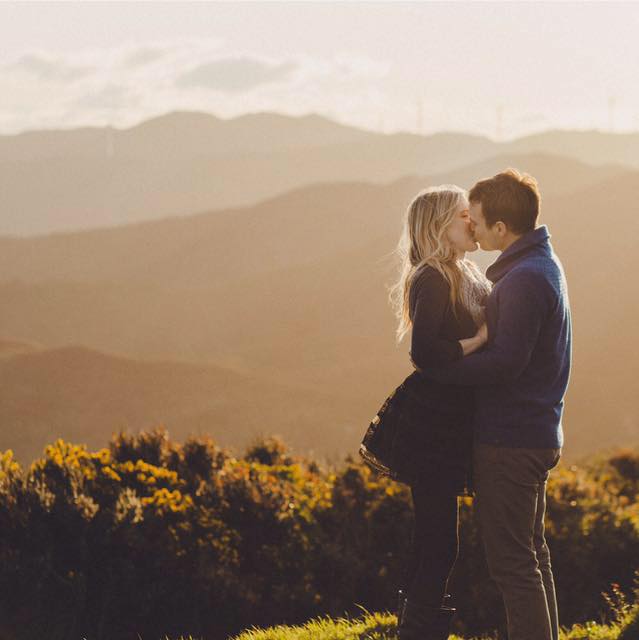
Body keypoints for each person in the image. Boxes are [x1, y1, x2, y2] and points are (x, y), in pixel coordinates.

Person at [422, 169, 572, 640]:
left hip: (511, 439)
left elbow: (507, 364)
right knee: (531, 555)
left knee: (512, 564)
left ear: (502, 229)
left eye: (480, 222)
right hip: (535, 431)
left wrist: (442, 371)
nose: (474, 229)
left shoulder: (524, 279)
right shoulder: (540, 265)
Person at [388, 185, 491, 640]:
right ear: (439, 227)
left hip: (450, 419)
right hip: (432, 422)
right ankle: (419, 628)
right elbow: (424, 351)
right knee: (439, 537)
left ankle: (418, 622)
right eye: (464, 216)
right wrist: (479, 342)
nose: (473, 222)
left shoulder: (462, 271)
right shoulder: (432, 277)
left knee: (437, 536)